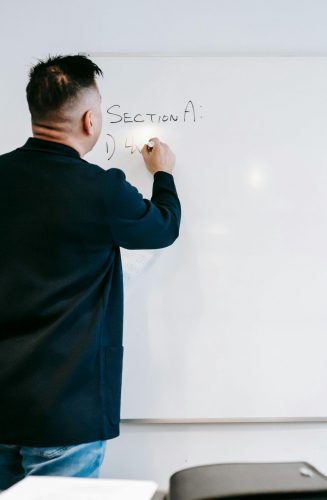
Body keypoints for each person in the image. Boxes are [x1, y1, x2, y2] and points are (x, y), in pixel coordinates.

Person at [0, 54, 181, 490]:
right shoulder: (100, 191)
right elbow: (163, 226)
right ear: (88, 119)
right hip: (68, 412)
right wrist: (164, 175)